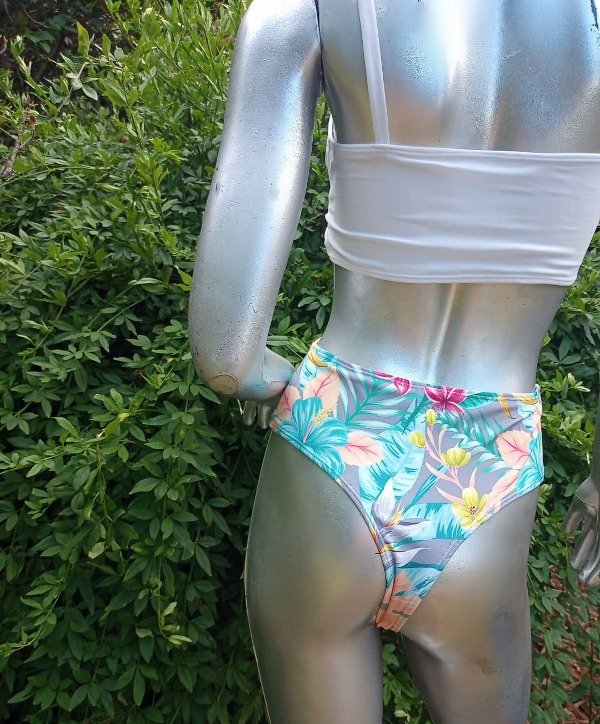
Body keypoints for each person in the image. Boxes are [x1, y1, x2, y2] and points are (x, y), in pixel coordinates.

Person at [188, 0, 600, 721]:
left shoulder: (308, 11)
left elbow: (225, 353)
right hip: (488, 468)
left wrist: (259, 376)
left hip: (333, 441)